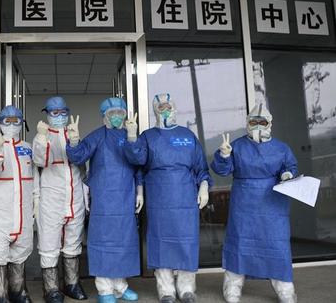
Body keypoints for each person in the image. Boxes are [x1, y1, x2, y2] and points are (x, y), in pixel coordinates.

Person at [123, 93, 212, 303]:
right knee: (160, 242)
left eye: (168, 106)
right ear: (155, 110)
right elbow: (138, 161)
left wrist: (204, 186)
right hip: (159, 197)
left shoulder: (188, 135)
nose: (165, 110)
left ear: (174, 108)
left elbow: (201, 167)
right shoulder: (148, 136)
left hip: (185, 197)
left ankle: (187, 288)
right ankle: (166, 290)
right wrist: (133, 137)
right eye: (161, 107)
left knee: (186, 241)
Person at [211, 104, 298, 303]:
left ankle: (285, 289)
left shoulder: (281, 148)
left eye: (262, 121)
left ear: (270, 123)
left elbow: (290, 165)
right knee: (240, 243)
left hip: (273, 202)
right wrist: (224, 155)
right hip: (244, 203)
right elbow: (223, 170)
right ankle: (232, 287)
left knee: (276, 245)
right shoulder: (237, 146)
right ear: (247, 123)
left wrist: (288, 174)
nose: (258, 125)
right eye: (253, 121)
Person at [66, 97, 142, 303]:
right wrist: (73, 141)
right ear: (104, 116)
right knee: (103, 243)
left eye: (120, 113)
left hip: (125, 198)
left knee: (123, 242)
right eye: (112, 113)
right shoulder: (98, 137)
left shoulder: (130, 136)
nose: (117, 117)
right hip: (103, 199)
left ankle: (121, 285)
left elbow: (139, 163)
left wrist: (140, 191)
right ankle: (105, 289)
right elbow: (78, 156)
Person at [0, 105, 38, 303]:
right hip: (0, 213)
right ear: (0, 122)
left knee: (20, 253)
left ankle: (18, 291)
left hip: (23, 212)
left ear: (22, 123)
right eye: (7, 121)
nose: (12, 125)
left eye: (16, 121)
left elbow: (35, 177)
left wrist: (36, 201)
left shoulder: (27, 148)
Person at [32, 96, 88, 303]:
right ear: (46, 114)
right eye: (54, 113)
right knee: (49, 243)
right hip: (51, 198)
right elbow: (41, 161)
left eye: (63, 112)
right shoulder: (42, 137)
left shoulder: (73, 133)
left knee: (73, 240)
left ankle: (72, 284)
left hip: (74, 198)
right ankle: (51, 288)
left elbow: (82, 165)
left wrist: (75, 141)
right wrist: (41, 137)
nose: (59, 117)